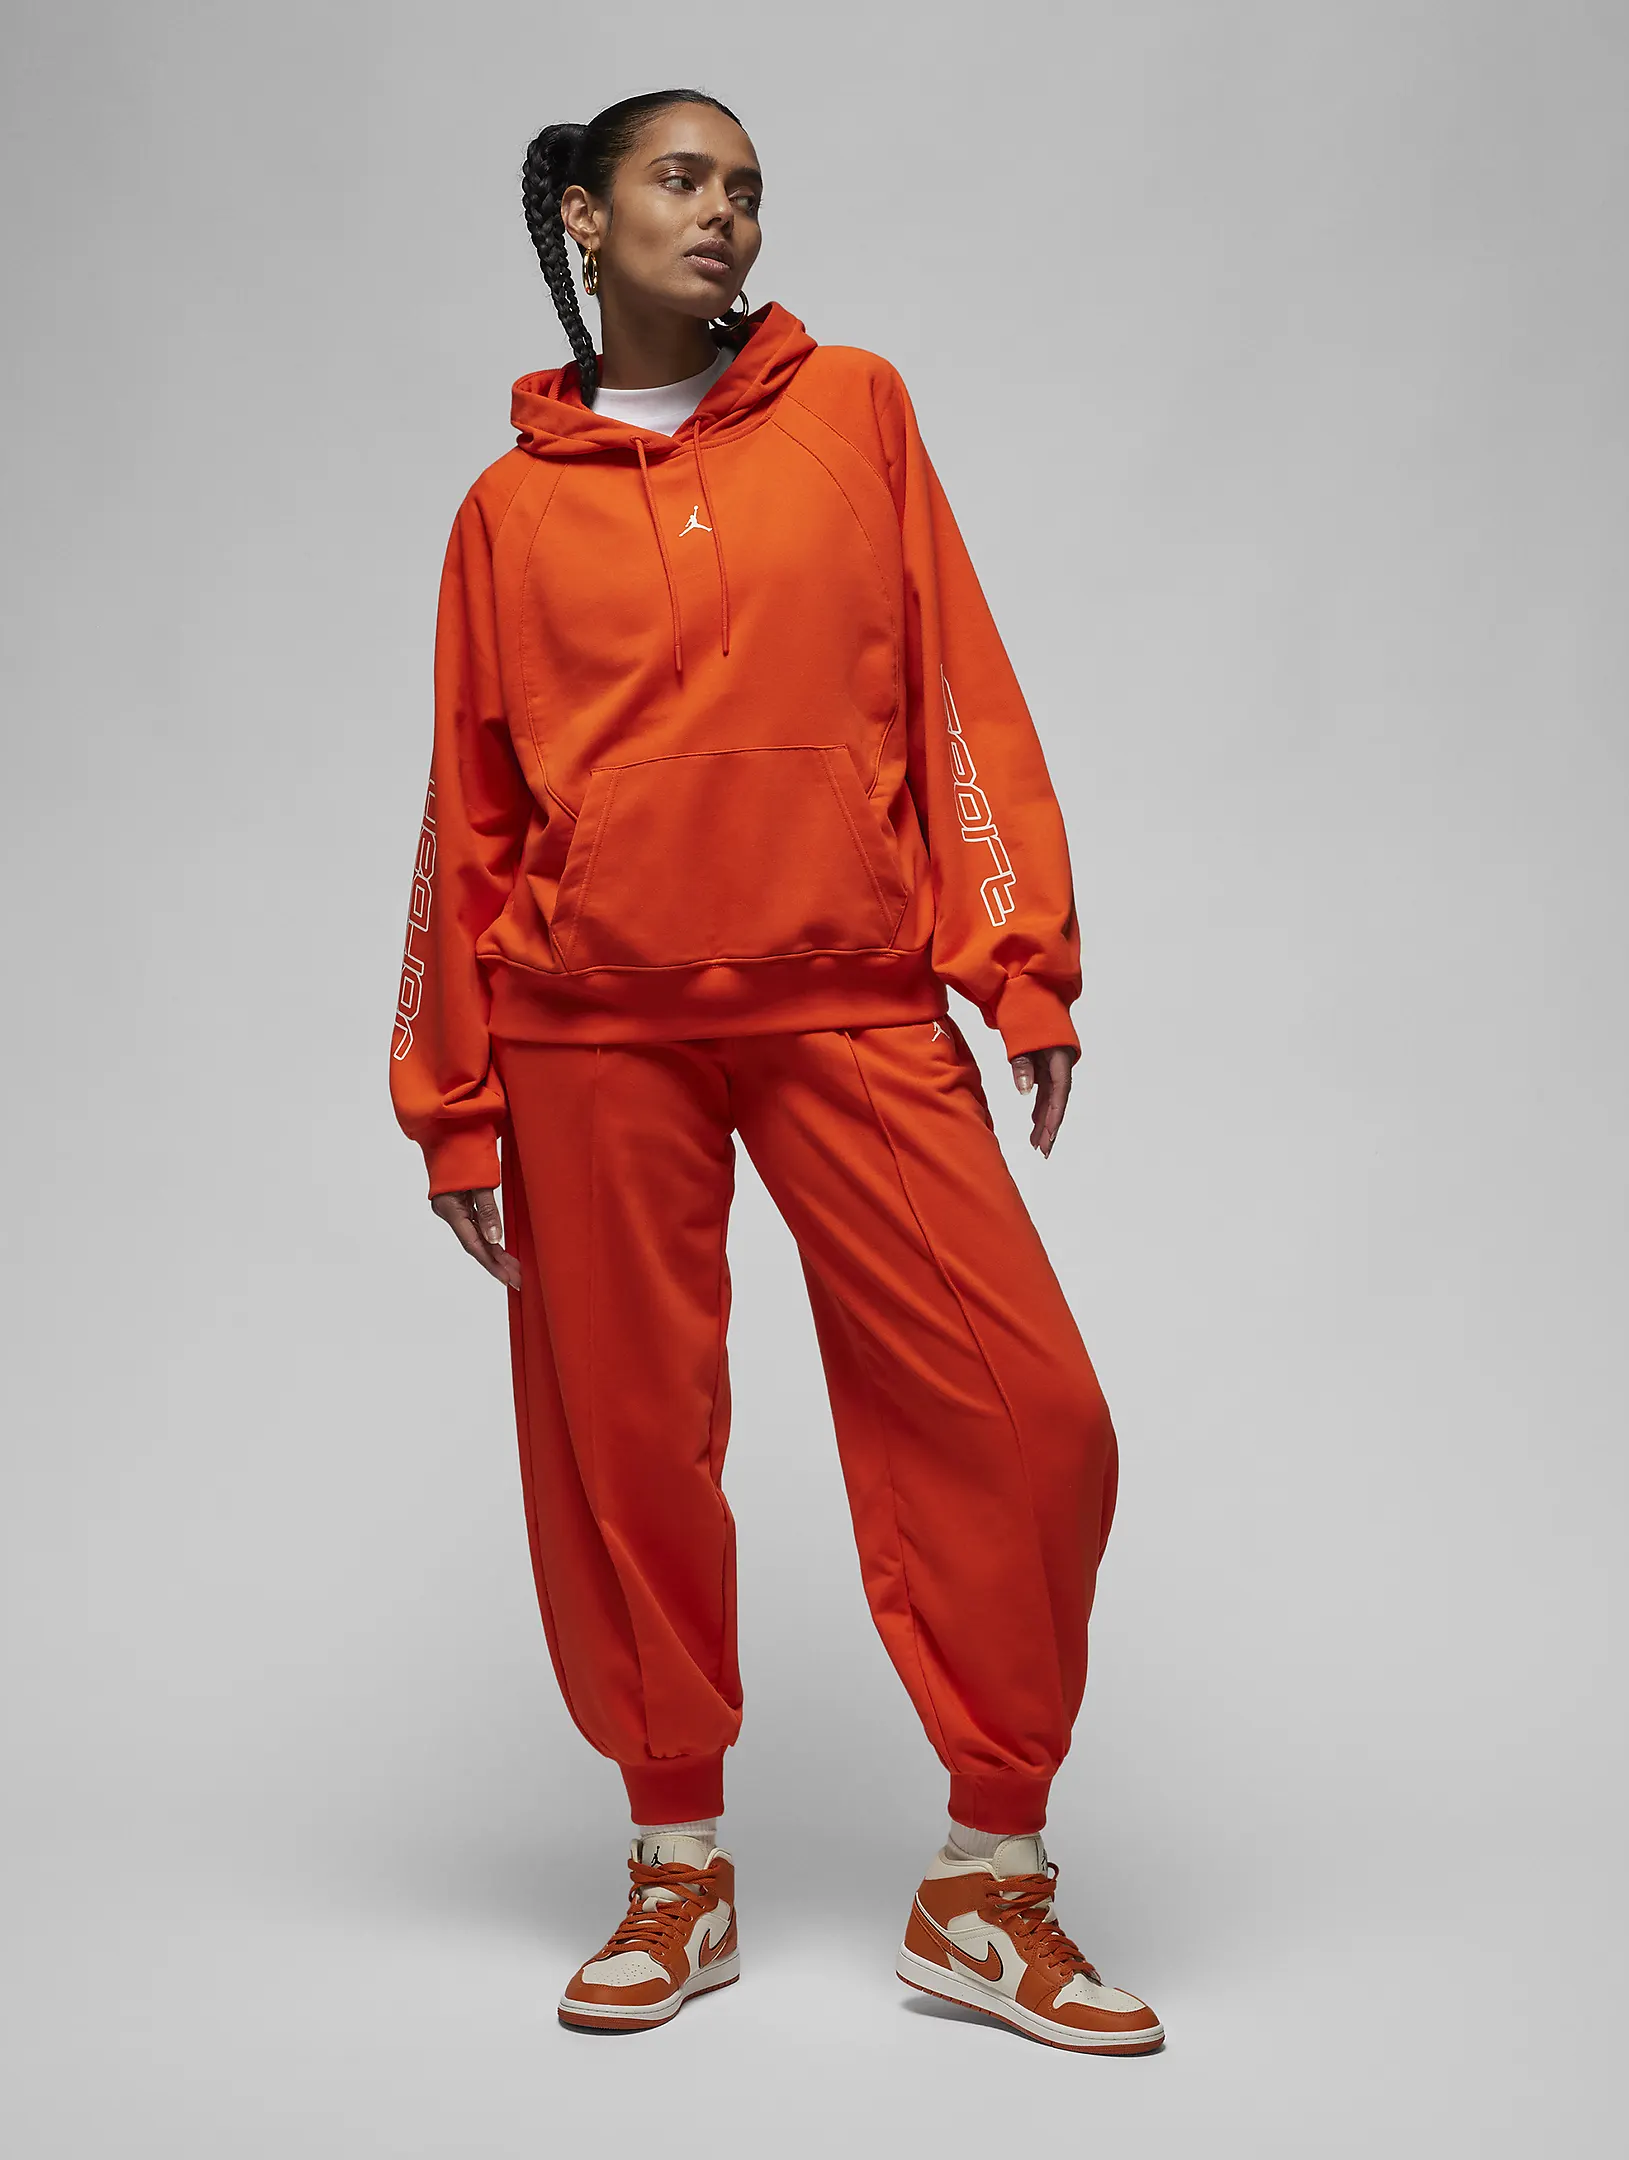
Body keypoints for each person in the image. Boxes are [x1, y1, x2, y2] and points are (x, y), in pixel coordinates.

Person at [389, 87, 1162, 2056]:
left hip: (851, 995)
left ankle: (989, 1882)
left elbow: (956, 686)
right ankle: (676, 1865)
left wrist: (1020, 962)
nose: (725, 214)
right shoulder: (504, 512)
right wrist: (451, 1091)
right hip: (586, 1027)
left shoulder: (856, 413)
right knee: (626, 1447)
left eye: (746, 188)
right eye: (681, 179)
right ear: (584, 217)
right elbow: (468, 818)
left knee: (1031, 1416)